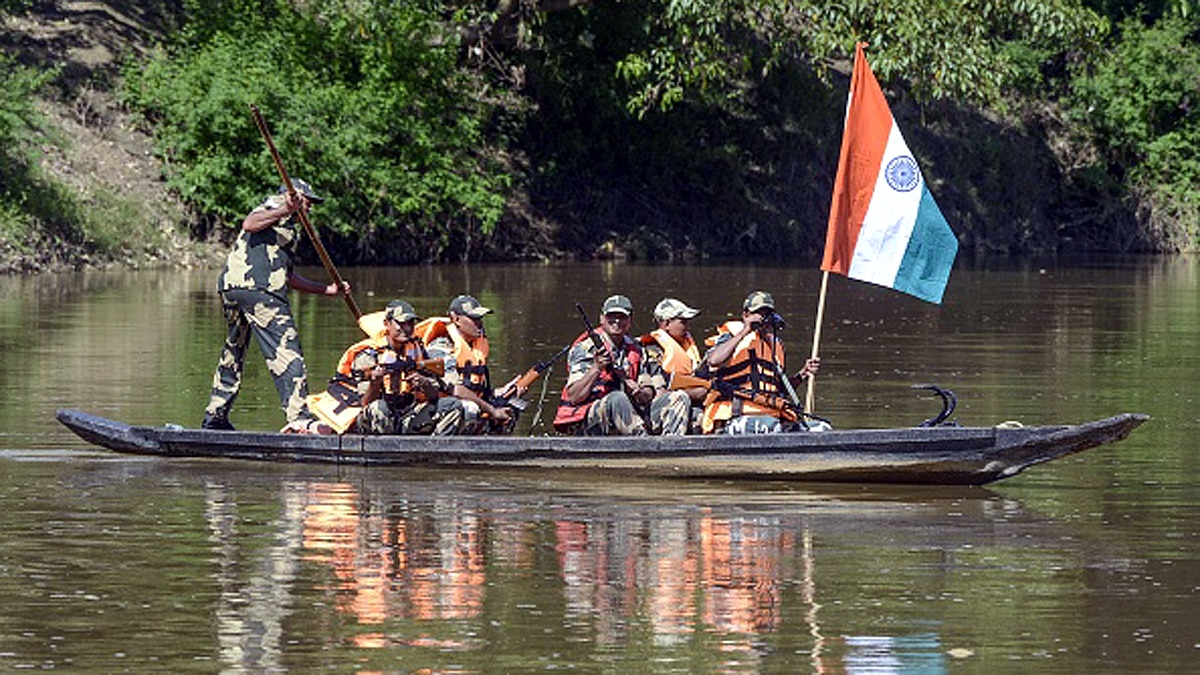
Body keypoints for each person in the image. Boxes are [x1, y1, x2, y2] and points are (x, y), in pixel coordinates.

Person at [202, 179, 346, 434]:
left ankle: (216, 414)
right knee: (286, 348)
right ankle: (299, 417)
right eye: (308, 202)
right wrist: (286, 208)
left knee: (234, 349)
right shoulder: (276, 205)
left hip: (235, 288)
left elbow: (287, 275)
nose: (310, 208)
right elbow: (250, 222)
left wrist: (327, 290)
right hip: (258, 290)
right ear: (295, 197)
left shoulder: (289, 226)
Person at [553, 295, 690, 436]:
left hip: (631, 415)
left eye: (622, 317)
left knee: (679, 397)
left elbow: (648, 392)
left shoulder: (637, 350)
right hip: (589, 420)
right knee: (617, 399)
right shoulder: (584, 349)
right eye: (611, 316)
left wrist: (637, 391)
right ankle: (644, 447)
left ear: (630, 320)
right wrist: (596, 368)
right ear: (602, 318)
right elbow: (574, 397)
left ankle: (671, 448)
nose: (617, 321)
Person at [336, 300, 467, 436]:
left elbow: (434, 396)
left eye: (410, 323)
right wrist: (375, 383)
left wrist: (425, 384)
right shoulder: (369, 355)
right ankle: (384, 451)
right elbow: (365, 403)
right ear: (387, 323)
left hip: (408, 415)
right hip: (378, 418)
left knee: (452, 405)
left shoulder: (417, 349)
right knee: (378, 407)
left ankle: (434, 449)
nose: (407, 328)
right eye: (401, 323)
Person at [700, 291, 820, 434]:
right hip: (735, 416)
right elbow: (714, 361)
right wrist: (745, 330)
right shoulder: (731, 336)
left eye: (767, 314)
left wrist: (803, 374)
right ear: (746, 315)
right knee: (770, 427)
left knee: (821, 429)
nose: (763, 318)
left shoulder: (775, 345)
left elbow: (780, 389)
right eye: (758, 313)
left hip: (772, 415)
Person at [415, 294, 520, 434]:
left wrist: (501, 392)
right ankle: (443, 450)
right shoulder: (439, 349)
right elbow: (456, 390)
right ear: (456, 319)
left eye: (480, 319)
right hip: (435, 410)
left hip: (465, 405)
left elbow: (475, 388)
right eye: (474, 319)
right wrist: (492, 410)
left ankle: (488, 450)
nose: (479, 323)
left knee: (509, 406)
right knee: (470, 407)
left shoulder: (475, 347)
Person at [640, 298, 707, 432]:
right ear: (666, 323)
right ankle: (672, 447)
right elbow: (659, 392)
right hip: (652, 410)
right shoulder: (652, 349)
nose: (688, 327)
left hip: (684, 403)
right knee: (680, 398)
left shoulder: (687, 349)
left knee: (703, 415)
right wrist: (694, 393)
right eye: (683, 322)